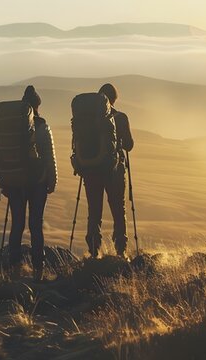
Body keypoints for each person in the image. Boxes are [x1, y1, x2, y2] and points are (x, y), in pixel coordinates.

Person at [3, 85, 57, 280]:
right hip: (38, 182)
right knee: (36, 224)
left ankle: (13, 267)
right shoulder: (42, 126)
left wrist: (4, 181)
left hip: (15, 182)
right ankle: (38, 268)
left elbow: (1, 155)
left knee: (17, 224)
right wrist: (53, 180)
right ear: (37, 105)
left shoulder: (10, 127)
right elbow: (50, 157)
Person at [79, 83, 134, 258]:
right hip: (114, 171)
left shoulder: (85, 120)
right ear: (114, 99)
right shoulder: (121, 118)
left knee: (94, 211)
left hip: (91, 170)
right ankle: (121, 251)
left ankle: (94, 251)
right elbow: (129, 145)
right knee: (119, 210)